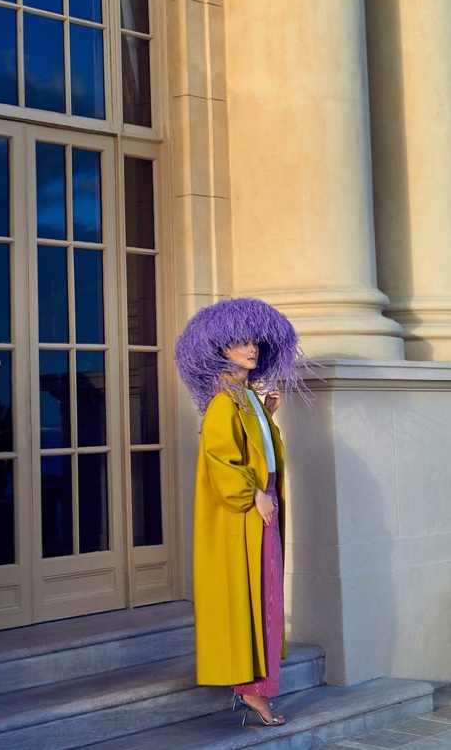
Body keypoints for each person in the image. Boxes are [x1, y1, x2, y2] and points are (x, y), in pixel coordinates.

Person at [174, 297, 308, 728]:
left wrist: (266, 415)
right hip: (248, 512)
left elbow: (253, 449)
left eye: (253, 342)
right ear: (220, 349)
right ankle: (253, 693)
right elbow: (220, 459)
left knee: (266, 598)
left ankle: (257, 689)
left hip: (261, 504)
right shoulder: (223, 401)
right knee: (256, 598)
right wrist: (255, 495)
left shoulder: (246, 397)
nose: (250, 349)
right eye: (238, 343)